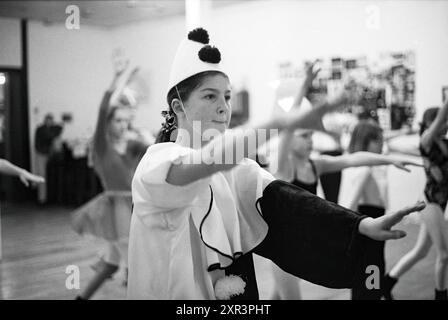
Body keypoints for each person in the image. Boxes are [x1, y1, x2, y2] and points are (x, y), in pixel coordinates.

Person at [127, 28, 425, 300]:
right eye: (210, 96)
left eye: (227, 97)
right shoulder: (156, 165)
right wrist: (280, 123)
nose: (224, 107)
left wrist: (359, 226)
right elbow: (204, 164)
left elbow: (293, 204)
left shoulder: (238, 170)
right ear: (178, 106)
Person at [268, 64, 422, 300]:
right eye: (305, 137)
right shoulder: (284, 168)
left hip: (301, 242)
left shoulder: (315, 164)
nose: (310, 141)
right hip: (282, 244)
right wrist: (303, 88)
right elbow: (288, 126)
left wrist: (388, 158)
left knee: (276, 297)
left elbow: (353, 159)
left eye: (311, 136)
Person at [72, 63, 148, 300]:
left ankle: (81, 298)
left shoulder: (132, 144)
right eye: (117, 121)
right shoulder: (102, 146)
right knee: (136, 262)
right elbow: (104, 108)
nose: (123, 125)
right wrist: (117, 80)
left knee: (110, 265)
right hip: (116, 209)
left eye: (126, 121)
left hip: (133, 204)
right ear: (107, 124)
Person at [383, 101, 448, 300]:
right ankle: (441, 295)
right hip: (430, 202)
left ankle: (385, 284)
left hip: (439, 202)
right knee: (444, 255)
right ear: (430, 123)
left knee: (420, 252)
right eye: (442, 122)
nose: (445, 125)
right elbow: (438, 121)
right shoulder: (426, 141)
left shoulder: (444, 143)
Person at [34, 113, 63, 204]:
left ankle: (47, 198)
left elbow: (57, 131)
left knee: (47, 176)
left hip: (48, 154)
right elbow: (49, 135)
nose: (49, 122)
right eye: (48, 120)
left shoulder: (50, 129)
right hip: (41, 153)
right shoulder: (41, 129)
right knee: (42, 175)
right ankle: (42, 199)